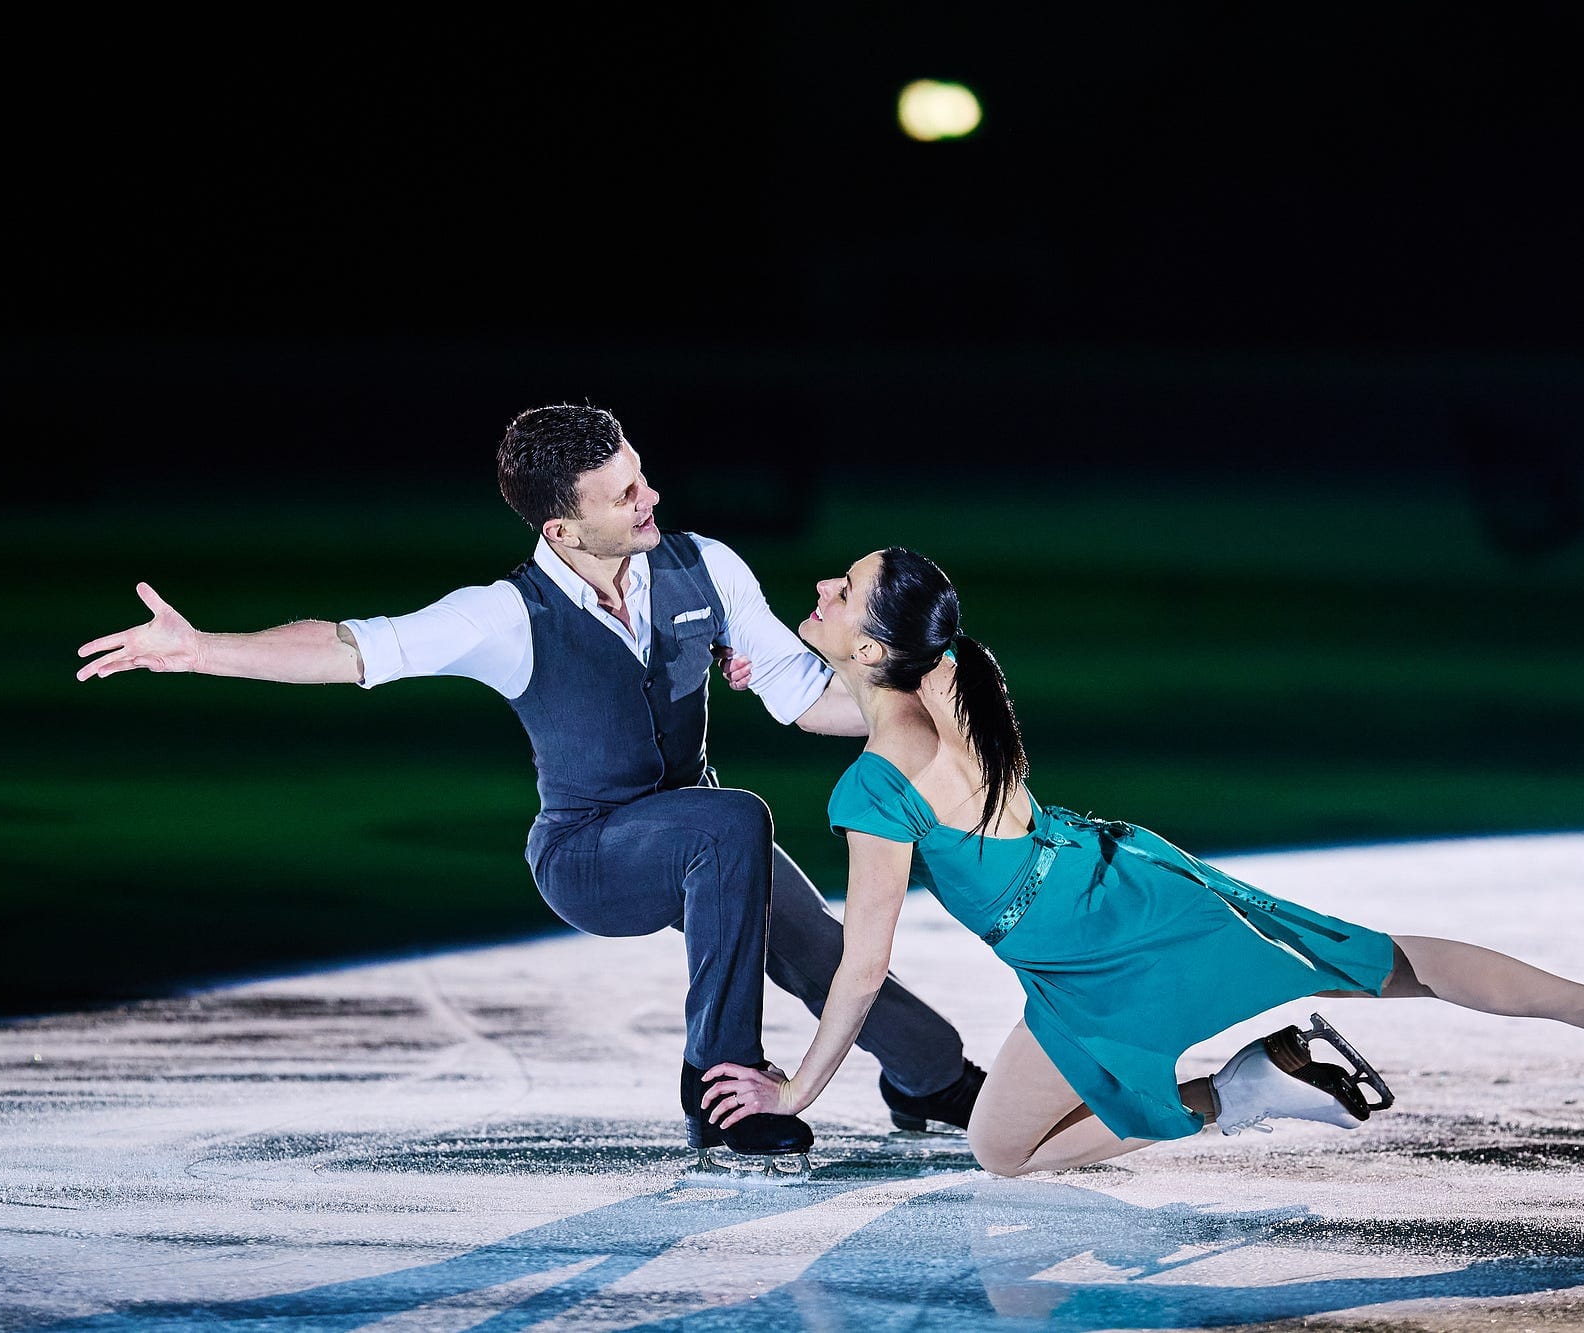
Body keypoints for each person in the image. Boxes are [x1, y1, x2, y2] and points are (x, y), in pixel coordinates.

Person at [75, 405, 987, 1166]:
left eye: (641, 474)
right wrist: (201, 649)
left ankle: (932, 1076)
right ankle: (720, 1086)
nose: (651, 497)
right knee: (733, 819)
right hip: (591, 854)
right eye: (625, 494)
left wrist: (930, 699)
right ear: (562, 528)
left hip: (708, 837)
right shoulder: (507, 616)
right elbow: (351, 646)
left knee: (815, 944)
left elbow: (806, 699)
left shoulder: (703, 566)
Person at [698, 547, 1584, 1178]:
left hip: (1081, 962)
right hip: (1126, 882)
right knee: (1381, 960)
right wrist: (764, 666)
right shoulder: (949, 678)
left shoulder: (872, 787)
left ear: (873, 649)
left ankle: (1245, 1091)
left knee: (1003, 1155)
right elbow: (837, 705)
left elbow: (862, 966)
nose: (824, 584)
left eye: (844, 589)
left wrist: (796, 1086)